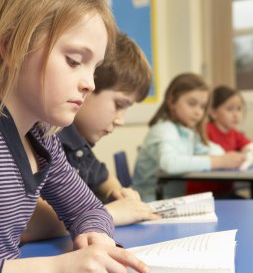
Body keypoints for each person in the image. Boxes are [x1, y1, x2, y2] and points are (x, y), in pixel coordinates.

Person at [0, 0, 148, 273]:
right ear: (11, 44)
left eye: (93, 67)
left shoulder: (41, 141)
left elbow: (88, 208)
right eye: (73, 60)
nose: (89, 83)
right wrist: (56, 272)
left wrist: (95, 235)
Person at [21, 32, 159, 243]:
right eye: (73, 62)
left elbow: (100, 178)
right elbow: (24, 221)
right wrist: (111, 213)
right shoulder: (48, 133)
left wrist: (118, 192)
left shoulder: (68, 142)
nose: (120, 120)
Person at [133, 73, 245, 202]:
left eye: (202, 106)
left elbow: (208, 149)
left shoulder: (186, 131)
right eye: (192, 104)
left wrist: (225, 157)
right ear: (172, 101)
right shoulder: (164, 129)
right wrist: (218, 161)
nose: (198, 112)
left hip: (171, 200)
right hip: (151, 201)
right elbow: (170, 164)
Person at [187, 85, 253, 197]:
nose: (236, 115)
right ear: (213, 112)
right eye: (230, 109)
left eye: (239, 109)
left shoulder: (234, 133)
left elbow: (249, 146)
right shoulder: (206, 130)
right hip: (202, 194)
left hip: (226, 191)